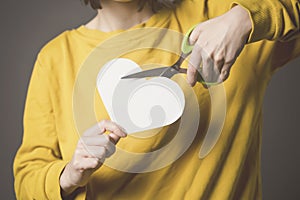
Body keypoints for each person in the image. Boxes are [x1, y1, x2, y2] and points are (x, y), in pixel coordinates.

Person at [13, 0, 300, 199]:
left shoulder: (220, 15)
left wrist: (244, 19)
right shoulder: (57, 57)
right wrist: (70, 174)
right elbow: (27, 180)